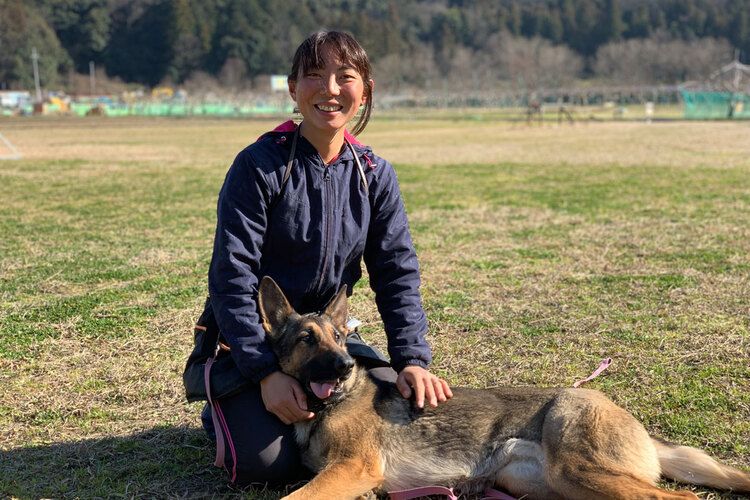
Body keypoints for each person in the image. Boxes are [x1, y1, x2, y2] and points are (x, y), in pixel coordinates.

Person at [196, 30, 452, 487]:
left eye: (345, 77)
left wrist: (413, 358)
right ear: (293, 89)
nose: (330, 89)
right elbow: (232, 279)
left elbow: (396, 273)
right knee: (271, 465)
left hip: (329, 343)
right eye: (313, 76)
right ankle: (225, 409)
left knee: (399, 413)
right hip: (255, 343)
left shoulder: (374, 175)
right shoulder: (258, 167)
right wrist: (264, 373)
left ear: (366, 90)